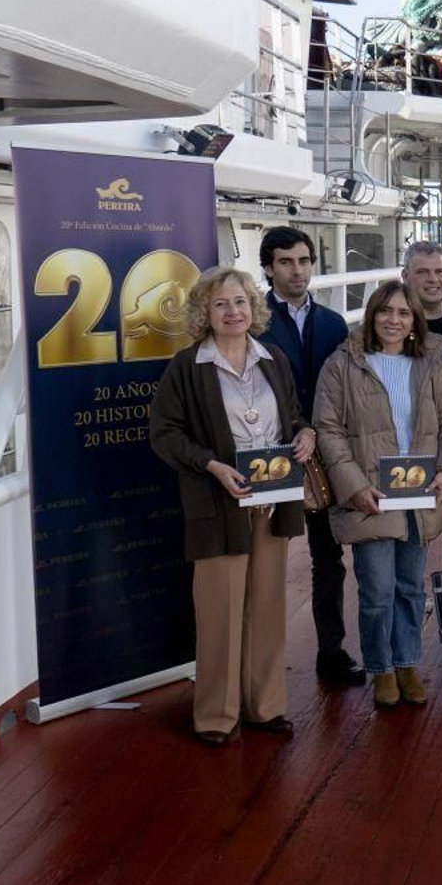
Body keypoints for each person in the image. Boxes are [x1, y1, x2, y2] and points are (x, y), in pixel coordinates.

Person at [150, 268, 314, 746]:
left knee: (266, 609)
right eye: (221, 304)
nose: (232, 312)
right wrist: (212, 466)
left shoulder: (273, 359)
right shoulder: (187, 367)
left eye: (240, 302)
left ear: (253, 308)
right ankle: (217, 716)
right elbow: (164, 434)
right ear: (205, 311)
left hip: (271, 503)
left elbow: (294, 416)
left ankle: (264, 707)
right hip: (218, 503)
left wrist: (305, 435)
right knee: (220, 613)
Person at [314, 281, 442, 708]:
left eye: (403, 313)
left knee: (410, 587)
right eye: (386, 311)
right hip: (370, 494)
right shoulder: (343, 363)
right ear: (372, 315)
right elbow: (328, 429)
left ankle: (406, 663)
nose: (394, 320)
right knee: (377, 590)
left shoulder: (432, 363)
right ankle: (381, 668)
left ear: (414, 320)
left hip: (419, 495)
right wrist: (354, 486)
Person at [258, 226, 364, 688]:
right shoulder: (254, 319)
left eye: (303, 261)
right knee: (263, 557)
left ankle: (330, 651)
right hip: (270, 451)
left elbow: (338, 387)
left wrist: (317, 430)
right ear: (268, 268)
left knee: (327, 556)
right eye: (286, 262)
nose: (297, 270)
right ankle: (258, 664)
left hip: (318, 451)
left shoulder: (333, 323)